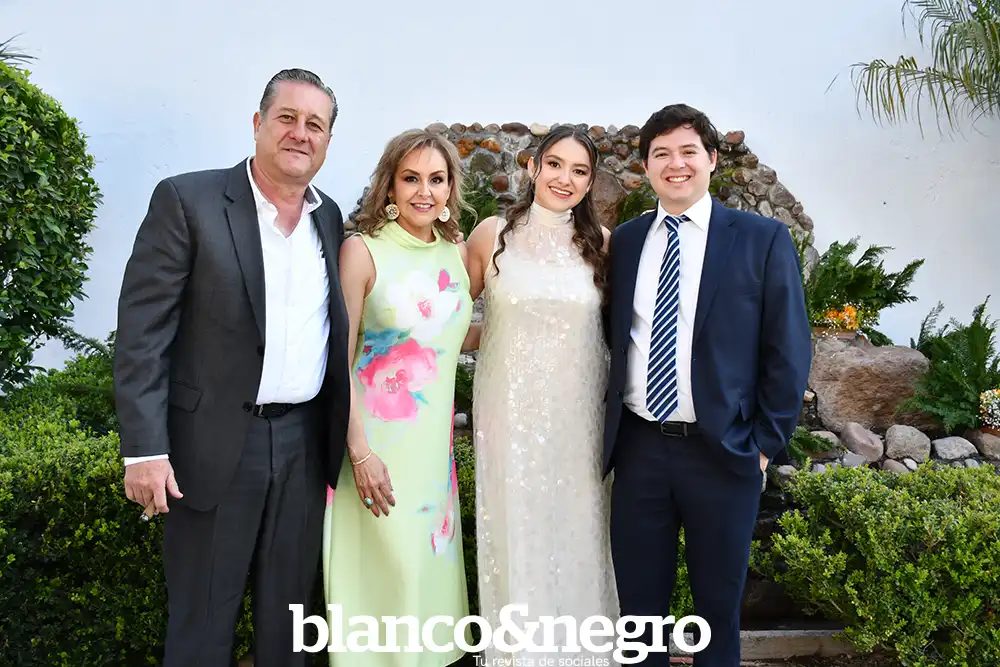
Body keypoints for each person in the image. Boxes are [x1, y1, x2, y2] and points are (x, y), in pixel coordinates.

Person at [113, 68, 350, 667]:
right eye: (287, 118)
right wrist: (144, 450)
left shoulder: (328, 218)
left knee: (290, 627)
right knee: (202, 625)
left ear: (328, 140)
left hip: (303, 445)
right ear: (258, 123)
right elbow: (143, 334)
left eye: (315, 124)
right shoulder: (186, 201)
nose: (300, 133)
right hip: (214, 445)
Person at [601, 103, 812, 666]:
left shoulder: (762, 239)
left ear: (712, 159)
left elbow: (789, 349)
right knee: (639, 616)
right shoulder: (626, 242)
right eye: (661, 154)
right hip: (640, 448)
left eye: (688, 151)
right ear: (646, 166)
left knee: (717, 613)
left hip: (724, 451)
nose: (676, 164)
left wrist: (763, 445)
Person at [463, 124, 618, 663]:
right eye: (555, 164)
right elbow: (447, 319)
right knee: (518, 535)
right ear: (532, 166)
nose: (564, 179)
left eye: (579, 171)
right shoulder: (490, 236)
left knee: (579, 535)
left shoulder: (602, 245)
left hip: (579, 421)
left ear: (590, 182)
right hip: (508, 414)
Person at [323, 128, 474, 667]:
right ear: (389, 184)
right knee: (388, 585)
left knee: (425, 586)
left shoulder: (456, 253)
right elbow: (338, 361)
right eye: (411, 178)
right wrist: (360, 453)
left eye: (437, 179)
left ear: (451, 187)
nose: (424, 191)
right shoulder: (362, 251)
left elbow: (451, 337)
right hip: (374, 451)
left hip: (432, 461)